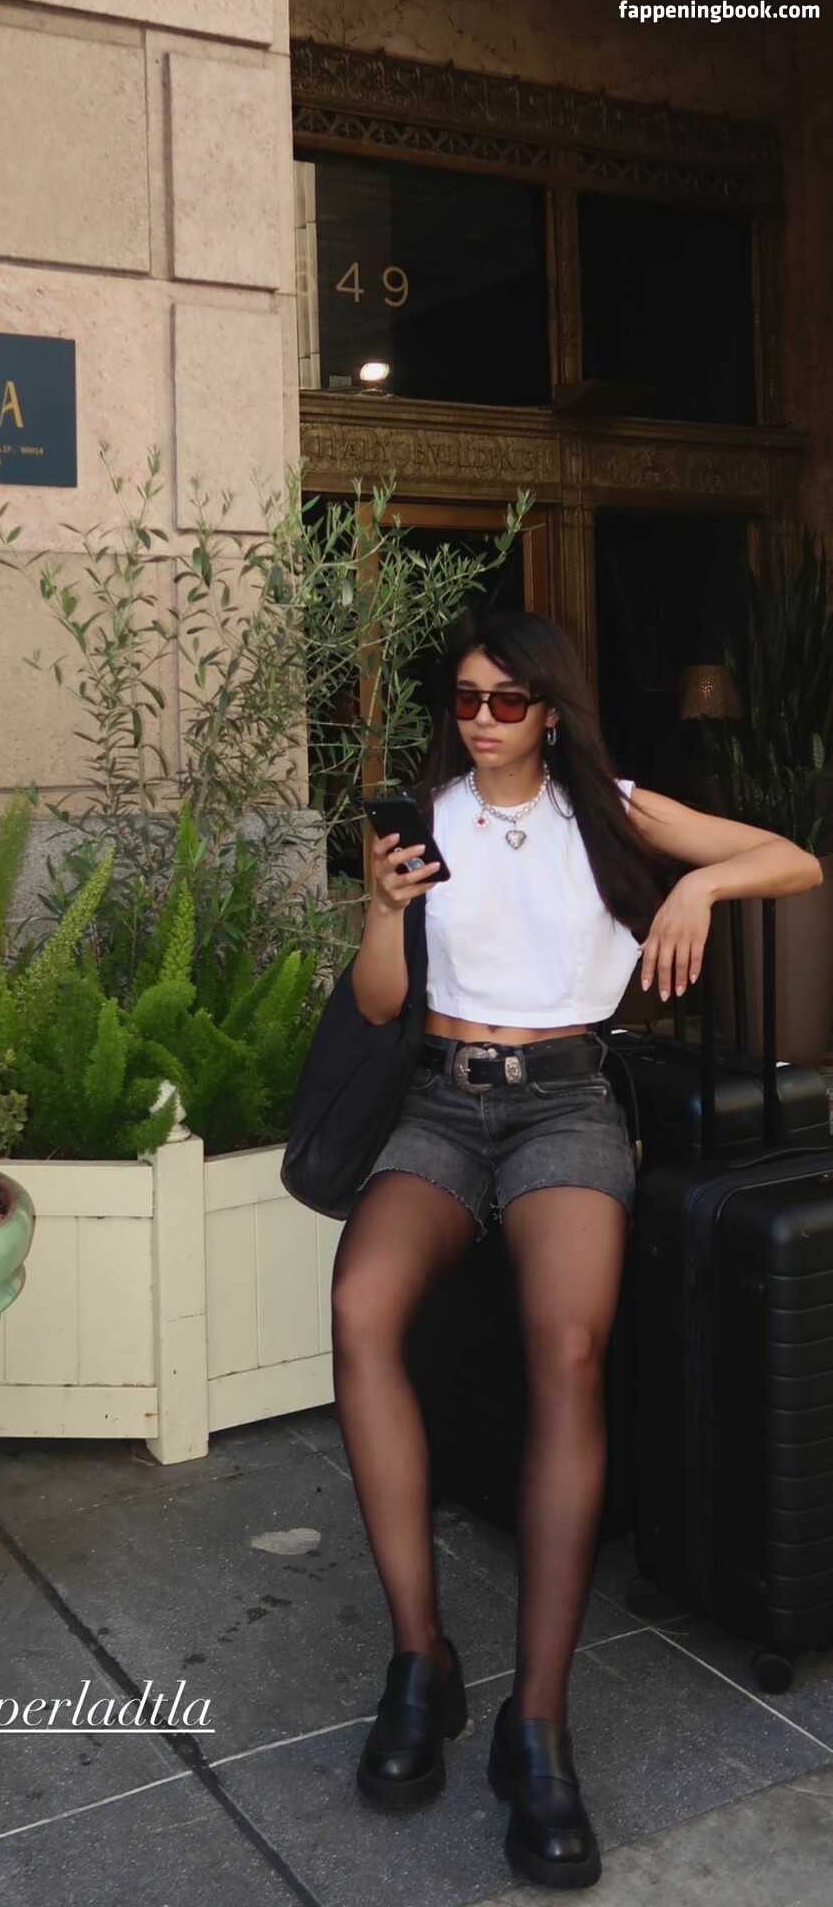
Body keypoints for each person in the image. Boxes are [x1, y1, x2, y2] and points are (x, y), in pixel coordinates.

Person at [333, 606, 823, 1890]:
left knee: (569, 1350)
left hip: (564, 1108)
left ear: (551, 710)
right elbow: (381, 1003)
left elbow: (795, 862)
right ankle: (421, 1658)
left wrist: (702, 883)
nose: (483, 721)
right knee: (362, 1309)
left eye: (508, 701)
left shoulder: (612, 811)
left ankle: (537, 1724)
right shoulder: (423, 819)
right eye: (465, 699)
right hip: (442, 1103)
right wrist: (381, 908)